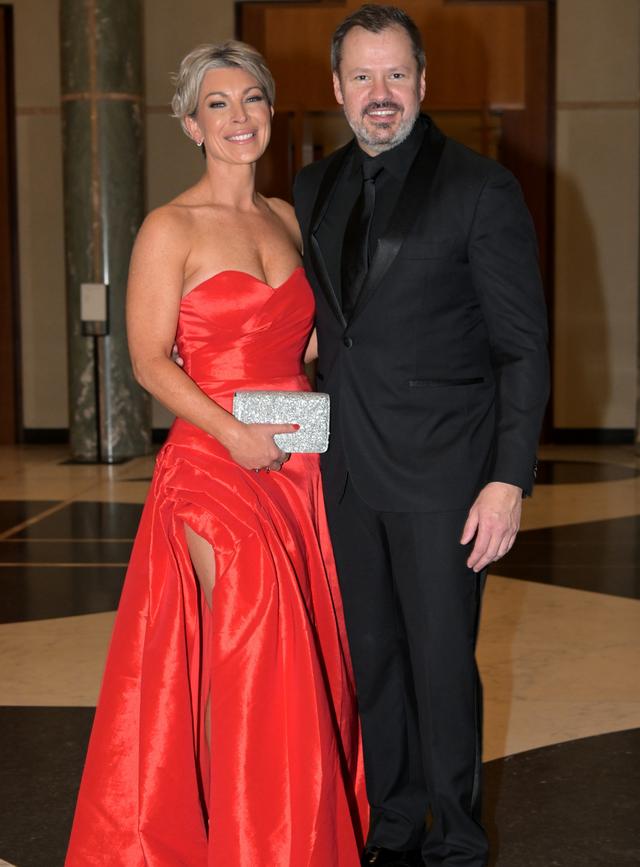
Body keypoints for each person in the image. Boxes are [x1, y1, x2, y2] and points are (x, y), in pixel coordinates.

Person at [65, 41, 367, 866]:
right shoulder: (170, 226)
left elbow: (310, 348)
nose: (240, 118)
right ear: (191, 124)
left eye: (253, 101)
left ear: (273, 112)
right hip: (213, 460)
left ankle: (296, 832)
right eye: (219, 105)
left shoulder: (289, 219)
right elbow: (150, 360)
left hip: (299, 461)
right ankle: (242, 843)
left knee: (309, 657)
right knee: (249, 644)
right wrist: (233, 432)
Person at [293, 6, 550, 867]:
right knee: (376, 664)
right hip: (347, 473)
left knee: (443, 670)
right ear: (336, 87)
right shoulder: (312, 188)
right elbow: (326, 332)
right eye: (362, 77)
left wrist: (508, 477)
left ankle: (461, 843)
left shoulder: (481, 188)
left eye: (395, 75)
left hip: (446, 475)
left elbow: (522, 346)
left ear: (423, 83)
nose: (379, 95)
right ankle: (395, 828)